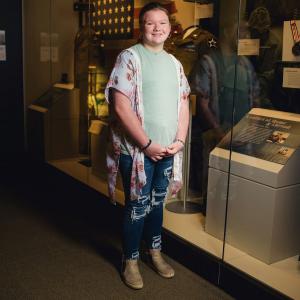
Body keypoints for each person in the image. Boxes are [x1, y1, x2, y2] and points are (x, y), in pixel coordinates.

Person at [105, 2, 190, 290]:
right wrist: (147, 144)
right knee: (137, 207)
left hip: (167, 151)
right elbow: (120, 106)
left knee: (157, 205)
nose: (157, 28)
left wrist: (178, 141)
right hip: (137, 152)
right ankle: (130, 260)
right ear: (142, 27)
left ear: (170, 28)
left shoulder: (174, 64)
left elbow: (183, 104)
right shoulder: (129, 58)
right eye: (151, 23)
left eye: (162, 23)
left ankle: (154, 252)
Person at [189, 20, 260, 215]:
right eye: (241, 29)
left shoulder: (245, 64)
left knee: (240, 183)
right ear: (228, 31)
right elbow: (201, 100)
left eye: (247, 29)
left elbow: (254, 98)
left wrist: (253, 129)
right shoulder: (209, 62)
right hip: (215, 135)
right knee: (215, 183)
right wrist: (218, 130)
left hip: (243, 136)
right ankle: (213, 216)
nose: (245, 34)